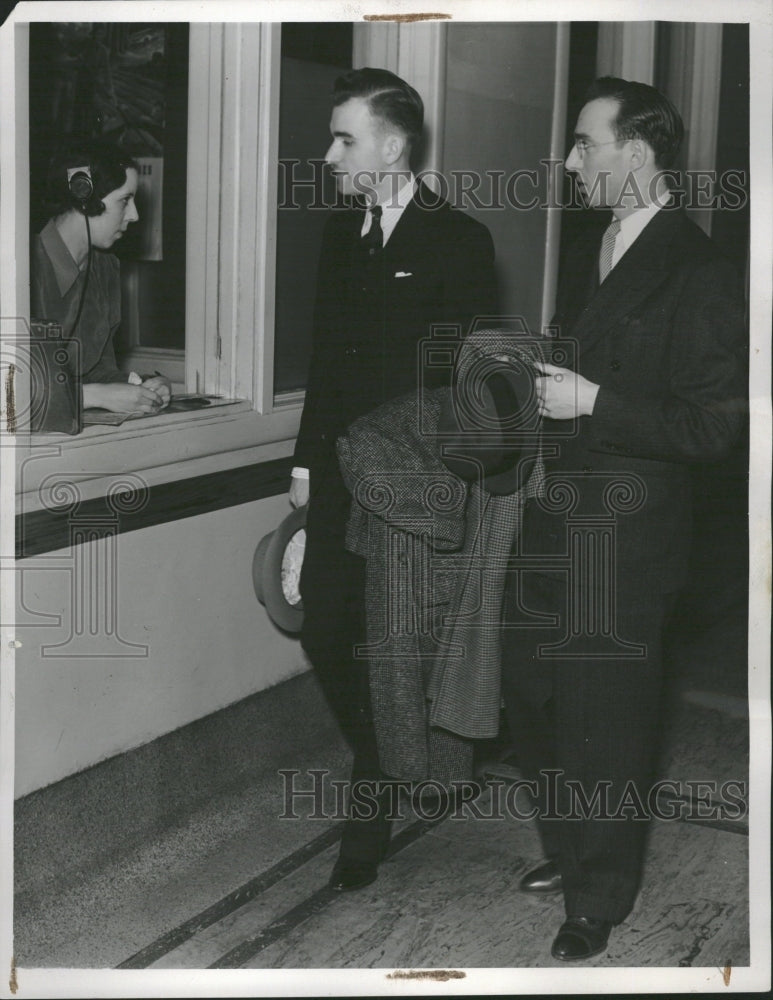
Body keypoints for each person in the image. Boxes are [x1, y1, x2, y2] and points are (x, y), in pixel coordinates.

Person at [500, 77, 746, 961]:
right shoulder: (593, 246)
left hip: (631, 536)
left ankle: (597, 893)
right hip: (553, 516)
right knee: (527, 686)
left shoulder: (703, 268)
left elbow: (713, 427)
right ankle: (571, 846)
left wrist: (591, 399)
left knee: (605, 716)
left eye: (583, 145)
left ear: (635, 155)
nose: (568, 162)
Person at [290, 67, 497, 892]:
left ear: (392, 144)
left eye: (344, 138)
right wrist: (304, 467)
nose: (329, 153)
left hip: (409, 486)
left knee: (397, 641)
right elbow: (321, 358)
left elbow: (464, 388)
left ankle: (372, 798)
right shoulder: (342, 233)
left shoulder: (459, 240)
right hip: (338, 474)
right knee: (320, 626)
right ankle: (378, 763)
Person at [31, 141, 171, 421]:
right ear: (85, 198)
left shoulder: (104, 269)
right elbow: (10, 392)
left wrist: (143, 386)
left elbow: (99, 371)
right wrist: (94, 396)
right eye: (124, 200)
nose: (134, 215)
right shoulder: (17, 269)